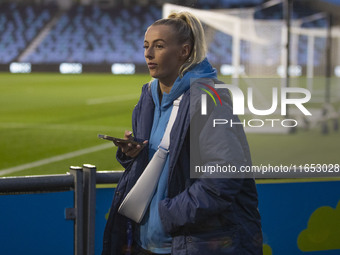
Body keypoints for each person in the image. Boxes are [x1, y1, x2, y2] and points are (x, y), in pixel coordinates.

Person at [102, 11, 263, 255]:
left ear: (184, 52)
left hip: (190, 244)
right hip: (147, 244)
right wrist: (134, 154)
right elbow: (166, 164)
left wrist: (169, 214)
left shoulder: (210, 98)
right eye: (146, 46)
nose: (148, 53)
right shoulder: (148, 97)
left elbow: (225, 175)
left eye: (159, 46)